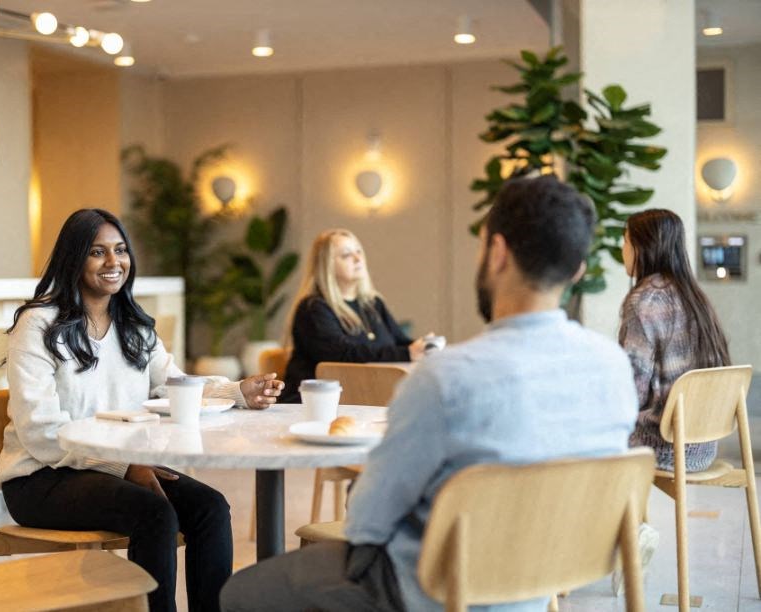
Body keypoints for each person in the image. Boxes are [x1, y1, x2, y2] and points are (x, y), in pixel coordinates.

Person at [220, 175, 639, 612]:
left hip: (433, 590)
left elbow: (366, 522)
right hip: (538, 587)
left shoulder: (445, 380)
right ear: (578, 269)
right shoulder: (613, 367)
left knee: (239, 593)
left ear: (496, 253)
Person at [0, 208, 284, 612]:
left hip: (125, 467)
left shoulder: (134, 327)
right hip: (42, 477)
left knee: (211, 507)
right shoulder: (39, 324)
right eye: (97, 252)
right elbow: (41, 431)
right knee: (155, 514)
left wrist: (238, 392)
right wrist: (124, 466)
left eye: (120, 250)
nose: (114, 263)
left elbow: (177, 386)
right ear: (73, 258)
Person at [620, 208, 731, 472]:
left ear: (641, 246)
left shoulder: (644, 301)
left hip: (659, 446)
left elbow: (630, 391)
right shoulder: (695, 297)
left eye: (625, 241)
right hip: (703, 446)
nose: (622, 249)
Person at [281, 228, 429, 402]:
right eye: (346, 255)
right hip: (315, 403)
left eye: (358, 252)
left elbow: (400, 341)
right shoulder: (313, 308)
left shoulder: (373, 303)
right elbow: (341, 354)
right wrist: (406, 353)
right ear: (326, 265)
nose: (358, 259)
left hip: (367, 395)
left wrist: (424, 347)